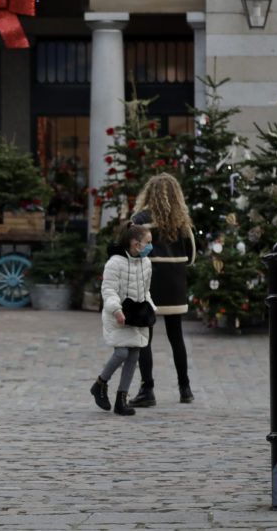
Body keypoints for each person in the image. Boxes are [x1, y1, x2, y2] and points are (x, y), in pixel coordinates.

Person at [130, 172, 197, 406]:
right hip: (175, 283)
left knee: (144, 336)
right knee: (176, 335)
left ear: (149, 194)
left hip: (149, 283)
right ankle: (185, 388)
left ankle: (147, 389)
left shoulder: (139, 219)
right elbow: (191, 256)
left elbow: (133, 252)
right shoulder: (181, 222)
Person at [91, 221, 155, 417]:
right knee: (121, 353)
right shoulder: (114, 263)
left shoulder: (146, 263)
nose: (150, 246)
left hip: (137, 316)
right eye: (148, 242)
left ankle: (121, 398)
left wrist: (151, 308)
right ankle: (100, 383)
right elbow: (108, 290)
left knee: (134, 354)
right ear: (136, 243)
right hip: (118, 314)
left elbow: (145, 290)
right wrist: (116, 310)